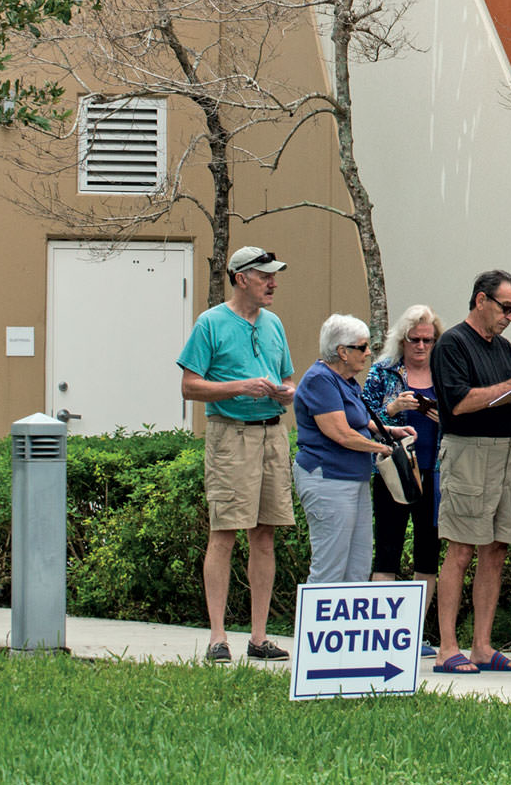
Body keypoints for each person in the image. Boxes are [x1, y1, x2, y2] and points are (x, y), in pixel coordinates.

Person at [176, 246, 298, 664]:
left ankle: (259, 637)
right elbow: (190, 386)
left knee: (265, 536)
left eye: (274, 276)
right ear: (241, 277)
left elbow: (287, 377)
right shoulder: (210, 323)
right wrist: (240, 387)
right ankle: (217, 637)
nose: (273, 283)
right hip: (230, 437)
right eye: (265, 276)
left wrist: (287, 391)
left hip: (273, 434)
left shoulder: (274, 324)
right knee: (224, 533)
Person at [429, 269, 511, 674]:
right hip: (467, 454)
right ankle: (448, 647)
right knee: (461, 548)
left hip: (505, 453)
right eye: (506, 308)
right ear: (481, 300)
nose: (509, 317)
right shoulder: (452, 344)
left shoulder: (504, 347)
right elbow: (459, 403)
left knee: (496, 548)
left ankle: (481, 644)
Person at [294, 314, 407, 584]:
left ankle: (345, 627)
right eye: (363, 347)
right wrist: (384, 449)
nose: (368, 353)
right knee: (330, 567)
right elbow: (341, 433)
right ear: (342, 351)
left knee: (357, 566)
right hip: (328, 479)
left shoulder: (346, 381)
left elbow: (358, 421)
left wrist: (389, 431)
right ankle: (316, 627)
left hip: (353, 480)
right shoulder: (319, 380)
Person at [365, 304, 445, 654]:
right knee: (388, 550)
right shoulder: (384, 371)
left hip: (435, 469)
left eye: (429, 340)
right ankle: (384, 632)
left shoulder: (444, 372)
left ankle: (412, 633)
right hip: (394, 468)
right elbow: (361, 414)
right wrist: (394, 409)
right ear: (402, 339)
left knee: (428, 554)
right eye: (415, 339)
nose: (422, 347)